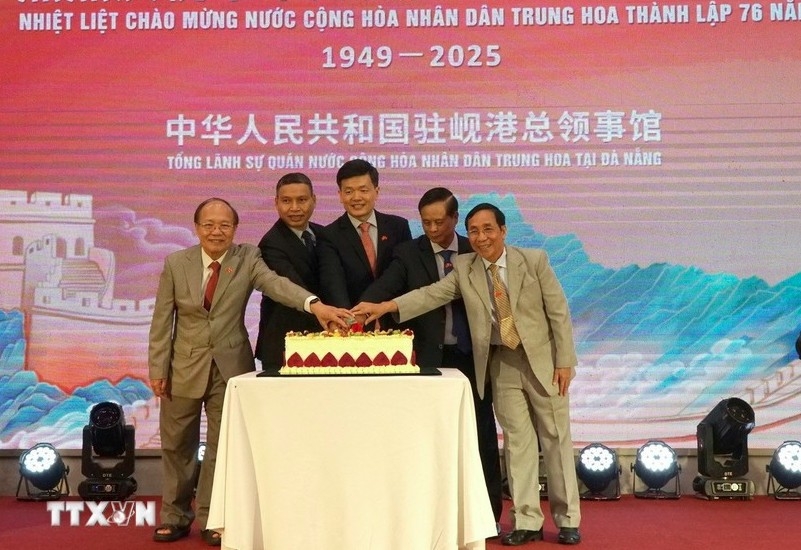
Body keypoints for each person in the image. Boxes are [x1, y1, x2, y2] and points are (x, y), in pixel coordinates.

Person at [354, 203, 582, 546]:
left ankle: (568, 520)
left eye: (488, 229)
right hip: (502, 363)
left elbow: (559, 312)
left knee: (555, 438)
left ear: (503, 231)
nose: (481, 237)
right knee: (517, 443)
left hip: (543, 362)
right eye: (474, 231)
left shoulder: (534, 261)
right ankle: (526, 520)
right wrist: (386, 307)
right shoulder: (464, 267)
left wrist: (565, 361)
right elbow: (430, 295)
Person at [148, 198, 351, 545]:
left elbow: (276, 284)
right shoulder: (176, 263)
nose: (216, 231)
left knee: (220, 447)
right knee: (177, 445)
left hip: (231, 369)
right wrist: (158, 367)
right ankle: (174, 516)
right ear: (197, 228)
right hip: (182, 367)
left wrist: (314, 305)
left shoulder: (247, 258)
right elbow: (162, 321)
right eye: (209, 225)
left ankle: (213, 518)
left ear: (235, 229)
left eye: (224, 225)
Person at [359, 188, 503, 526]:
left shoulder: (475, 249)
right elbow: (388, 288)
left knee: (481, 435)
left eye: (440, 222)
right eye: (426, 223)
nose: (433, 229)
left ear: (455, 219)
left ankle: (488, 515)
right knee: (426, 440)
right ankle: (428, 516)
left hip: (472, 358)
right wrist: (361, 308)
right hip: (425, 361)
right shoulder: (408, 253)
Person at [316, 158, 412, 327]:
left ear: (377, 191)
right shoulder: (329, 235)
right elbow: (333, 283)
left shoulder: (398, 227)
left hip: (397, 324)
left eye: (363, 190)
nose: (356, 197)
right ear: (340, 195)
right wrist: (351, 320)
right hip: (352, 325)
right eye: (348, 191)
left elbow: (403, 274)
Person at [254, 173, 324, 371]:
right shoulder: (270, 243)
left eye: (302, 200)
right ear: (276, 202)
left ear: (314, 200)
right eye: (286, 201)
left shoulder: (323, 233)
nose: (294, 208)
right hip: (284, 345)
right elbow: (293, 287)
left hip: (323, 342)